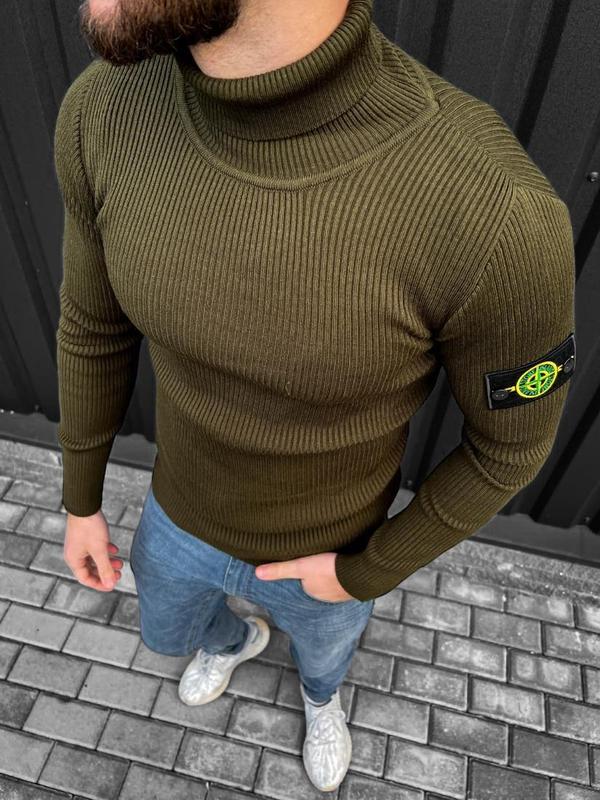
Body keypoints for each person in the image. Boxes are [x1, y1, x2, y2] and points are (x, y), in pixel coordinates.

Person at [55, 0, 576, 791]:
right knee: (171, 630)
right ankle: (232, 643)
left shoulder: (494, 211)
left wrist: (367, 572)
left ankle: (322, 700)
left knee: (326, 656)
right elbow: (93, 327)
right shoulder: (103, 110)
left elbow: (511, 446)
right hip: (176, 515)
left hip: (331, 552)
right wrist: (81, 501)